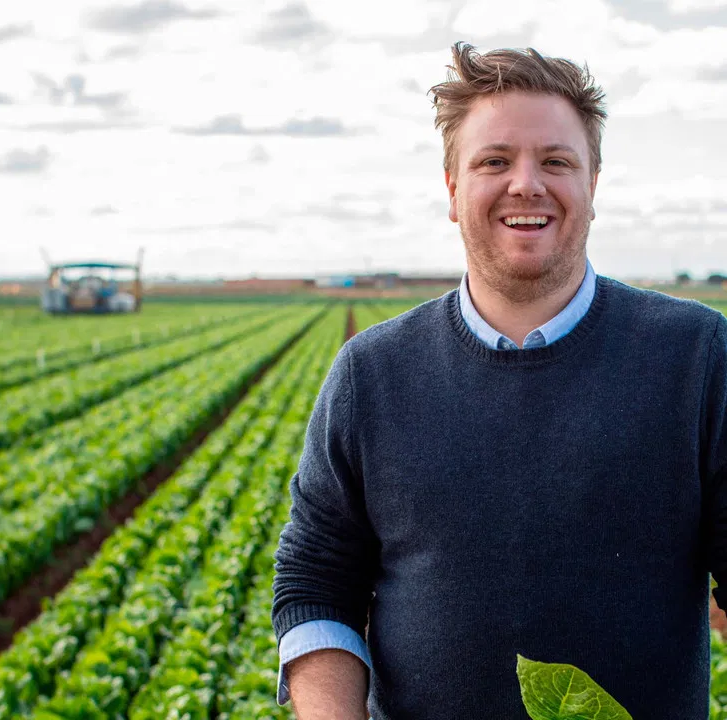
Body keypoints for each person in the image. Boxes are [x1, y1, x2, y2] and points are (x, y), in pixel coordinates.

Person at [270, 41, 727, 719]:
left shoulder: (697, 355)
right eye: (494, 161)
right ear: (453, 191)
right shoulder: (371, 374)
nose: (526, 184)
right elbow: (317, 582)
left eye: (556, 161)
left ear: (593, 186)